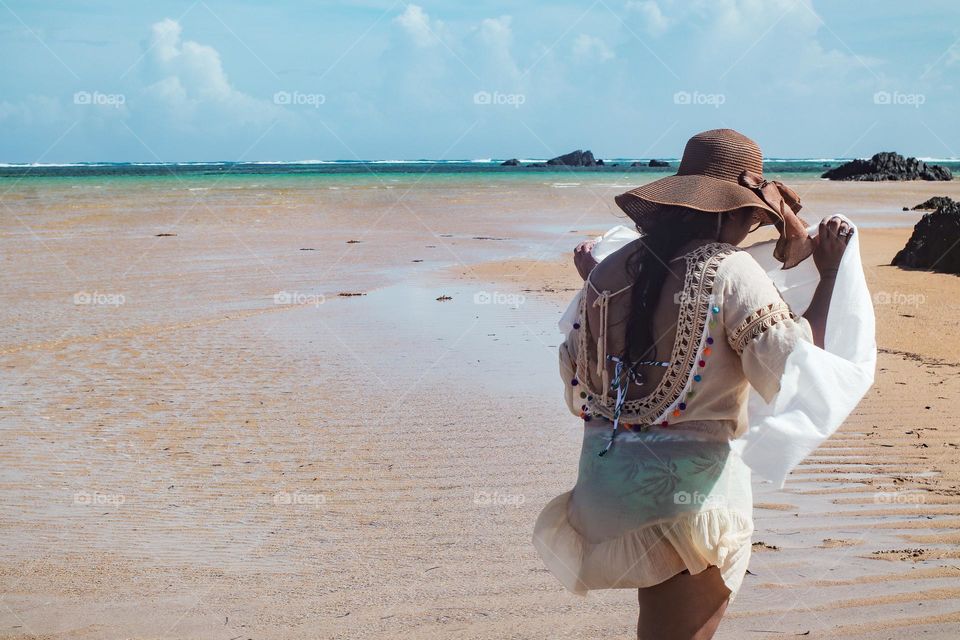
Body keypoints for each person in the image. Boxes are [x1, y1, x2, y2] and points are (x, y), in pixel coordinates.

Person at [533, 129, 853, 639]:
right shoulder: (729, 270)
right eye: (751, 215)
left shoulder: (610, 270)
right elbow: (797, 369)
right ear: (728, 210)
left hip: (609, 492)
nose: (753, 228)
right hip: (688, 506)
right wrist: (830, 275)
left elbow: (578, 385)